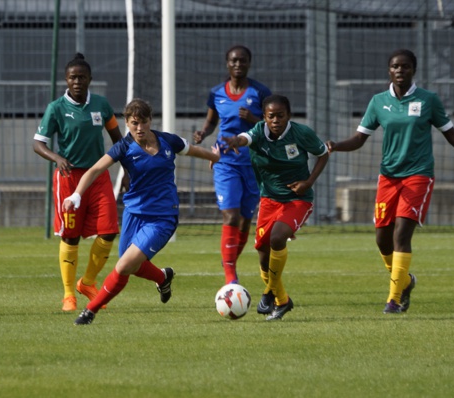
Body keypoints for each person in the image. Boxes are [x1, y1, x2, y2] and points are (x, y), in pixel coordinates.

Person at [326, 49, 454, 314]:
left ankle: (394, 300)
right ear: (389, 70)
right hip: (388, 177)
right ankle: (406, 281)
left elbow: (450, 133)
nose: (400, 70)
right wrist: (336, 145)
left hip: (418, 175)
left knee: (401, 233)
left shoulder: (428, 100)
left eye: (405, 66)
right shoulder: (378, 102)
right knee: (381, 238)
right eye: (395, 66)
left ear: (413, 70)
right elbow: (359, 138)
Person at [66, 98, 220, 325]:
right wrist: (76, 195)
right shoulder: (124, 148)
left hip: (162, 218)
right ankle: (162, 277)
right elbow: (96, 169)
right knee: (132, 266)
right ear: (127, 123)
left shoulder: (168, 141)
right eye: (134, 123)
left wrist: (214, 157)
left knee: (124, 265)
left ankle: (89, 311)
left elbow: (192, 150)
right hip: (133, 214)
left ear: (150, 121)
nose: (139, 128)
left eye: (143, 122)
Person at [223, 94, 329, 321]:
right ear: (264, 117)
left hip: (298, 200)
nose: (276, 120)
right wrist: (235, 142)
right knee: (263, 254)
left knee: (277, 238)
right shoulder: (259, 132)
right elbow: (245, 138)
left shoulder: (301, 133)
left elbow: (323, 153)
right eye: (271, 116)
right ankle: (282, 301)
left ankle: (269, 292)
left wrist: (308, 182)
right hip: (269, 201)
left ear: (288, 115)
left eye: (281, 115)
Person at [33, 53, 124, 312]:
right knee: (71, 238)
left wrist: (127, 170)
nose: (77, 81)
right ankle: (68, 294)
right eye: (73, 77)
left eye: (82, 77)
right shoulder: (56, 108)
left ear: (90, 79)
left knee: (108, 231)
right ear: (66, 79)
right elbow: (38, 143)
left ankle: (88, 282)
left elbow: (119, 141)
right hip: (68, 179)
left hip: (98, 175)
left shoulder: (102, 105)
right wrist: (56, 157)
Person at [193, 45, 272, 285]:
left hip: (253, 164)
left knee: (245, 220)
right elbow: (211, 121)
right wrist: (203, 134)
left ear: (249, 63)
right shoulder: (217, 92)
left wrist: (254, 119)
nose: (238, 64)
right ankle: (231, 279)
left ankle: (230, 262)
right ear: (227, 63)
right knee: (230, 216)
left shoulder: (259, 92)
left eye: (243, 61)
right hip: (226, 161)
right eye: (234, 61)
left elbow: (273, 125)